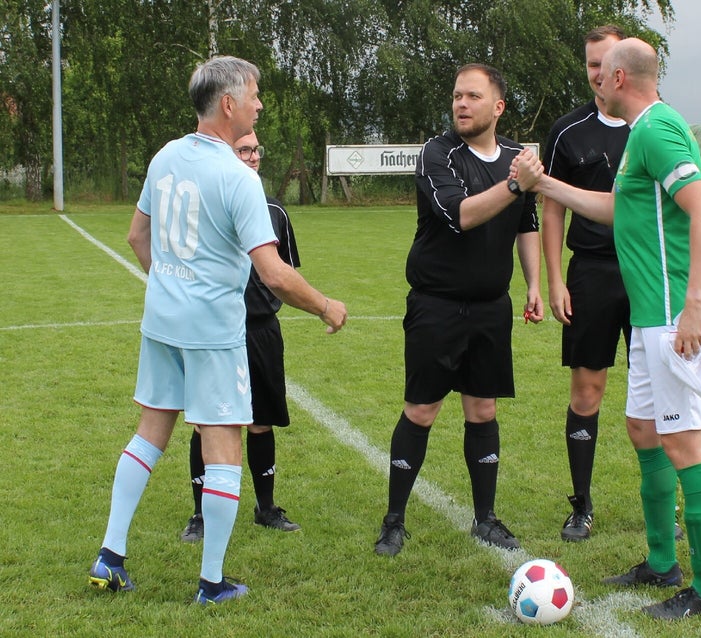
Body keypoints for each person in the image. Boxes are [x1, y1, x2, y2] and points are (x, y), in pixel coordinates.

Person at [88, 56, 347, 605]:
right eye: (254, 95)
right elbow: (274, 274)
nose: (259, 104)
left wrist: (171, 287)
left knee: (148, 434)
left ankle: (110, 556)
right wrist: (326, 306)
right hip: (212, 332)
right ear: (229, 105)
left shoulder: (165, 155)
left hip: (161, 323)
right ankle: (211, 583)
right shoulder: (238, 177)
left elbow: (137, 237)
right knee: (224, 447)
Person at [516, 38, 701, 619]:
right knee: (642, 429)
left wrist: (692, 305)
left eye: (600, 72)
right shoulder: (641, 132)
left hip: (673, 315)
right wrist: (543, 185)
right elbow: (618, 209)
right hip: (648, 316)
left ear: (617, 78)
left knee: (684, 443)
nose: (594, 80)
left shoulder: (657, 130)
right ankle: (662, 562)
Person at [373, 63, 544, 557]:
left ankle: (485, 519)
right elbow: (461, 215)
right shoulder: (438, 153)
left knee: (483, 409)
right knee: (421, 410)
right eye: (457, 96)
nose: (461, 104)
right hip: (437, 305)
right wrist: (516, 185)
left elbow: (526, 223)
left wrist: (534, 284)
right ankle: (394, 521)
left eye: (473, 96)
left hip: (492, 308)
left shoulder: (515, 157)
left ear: (498, 106)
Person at [179, 130, 305, 543]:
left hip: (261, 330)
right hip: (215, 330)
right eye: (243, 150)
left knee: (260, 422)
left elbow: (285, 272)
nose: (252, 157)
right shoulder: (205, 204)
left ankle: (265, 508)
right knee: (208, 424)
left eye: (255, 150)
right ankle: (200, 514)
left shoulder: (274, 211)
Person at [541, 25, 632, 542]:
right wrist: (556, 279)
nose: (599, 73)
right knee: (587, 390)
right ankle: (581, 505)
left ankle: (663, 504)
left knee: (655, 393)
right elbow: (552, 207)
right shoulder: (567, 131)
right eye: (591, 63)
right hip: (591, 273)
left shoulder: (655, 123)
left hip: (647, 273)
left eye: (607, 62)